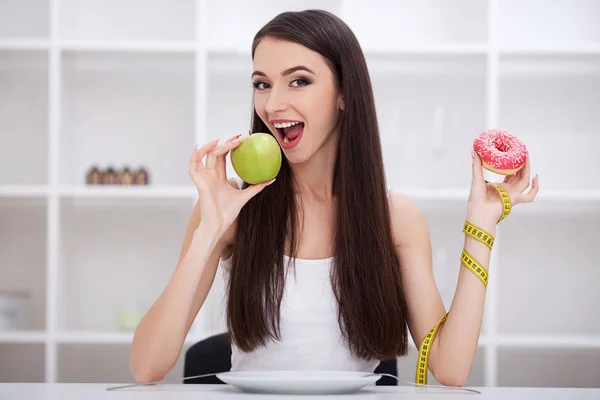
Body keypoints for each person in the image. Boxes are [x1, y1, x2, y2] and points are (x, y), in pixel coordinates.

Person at [129, 9, 539, 386]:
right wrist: (209, 231)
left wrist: (481, 224)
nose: (272, 104)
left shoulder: (395, 218)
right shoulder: (229, 209)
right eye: (261, 84)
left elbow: (450, 370)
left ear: (344, 93)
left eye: (299, 81)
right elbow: (146, 367)